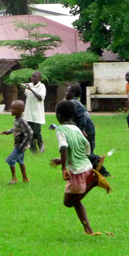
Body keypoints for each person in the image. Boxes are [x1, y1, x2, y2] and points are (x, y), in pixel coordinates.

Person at [49, 100, 111, 236]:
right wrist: (64, 160)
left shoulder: (60, 130)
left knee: (68, 202)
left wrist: (63, 168)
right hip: (86, 166)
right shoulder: (77, 128)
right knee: (76, 200)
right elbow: (86, 146)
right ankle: (88, 229)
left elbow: (64, 147)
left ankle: (95, 182)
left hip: (77, 171)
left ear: (58, 115)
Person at [65, 84, 111, 177]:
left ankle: (97, 160)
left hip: (87, 131)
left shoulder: (74, 103)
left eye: (67, 91)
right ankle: (102, 172)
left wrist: (81, 130)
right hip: (88, 129)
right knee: (85, 152)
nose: (65, 93)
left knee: (85, 153)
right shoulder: (74, 102)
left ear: (73, 93)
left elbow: (83, 117)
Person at [1, 100, 33, 185]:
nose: (11, 110)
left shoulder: (22, 120)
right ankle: (25, 178)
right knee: (20, 160)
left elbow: (30, 133)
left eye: (13, 109)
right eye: (11, 108)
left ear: (20, 111)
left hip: (20, 145)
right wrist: (7, 132)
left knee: (11, 160)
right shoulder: (17, 119)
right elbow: (15, 128)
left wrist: (23, 145)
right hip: (18, 144)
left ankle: (14, 178)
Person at [23, 71, 46, 153]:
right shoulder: (29, 85)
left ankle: (41, 146)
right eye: (32, 77)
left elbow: (40, 97)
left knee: (36, 132)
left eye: (35, 77)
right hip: (29, 113)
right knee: (30, 133)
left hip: (37, 114)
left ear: (39, 78)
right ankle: (33, 150)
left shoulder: (42, 86)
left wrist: (31, 89)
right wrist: (24, 88)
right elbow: (26, 95)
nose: (32, 78)